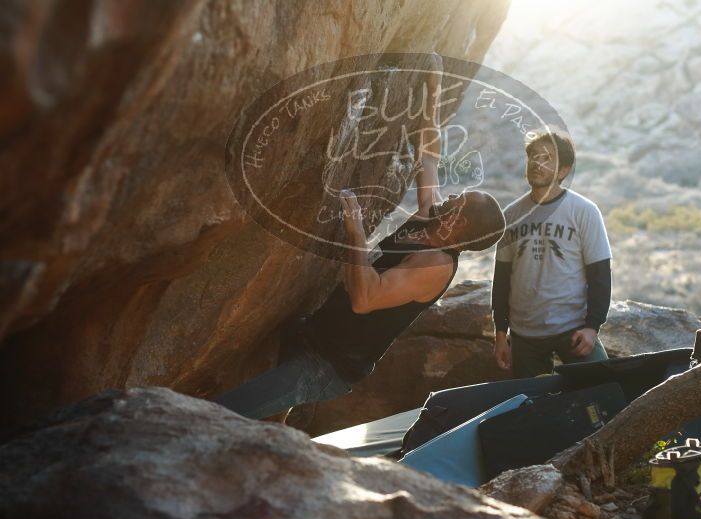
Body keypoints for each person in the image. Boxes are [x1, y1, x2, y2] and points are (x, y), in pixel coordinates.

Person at [216, 55, 506, 420]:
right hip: (314, 333)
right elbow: (429, 158)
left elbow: (365, 299)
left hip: (327, 365)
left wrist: (354, 229)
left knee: (227, 410)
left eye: (459, 202)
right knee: (266, 415)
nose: (451, 196)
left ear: (460, 225)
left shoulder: (434, 265)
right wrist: (433, 90)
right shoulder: (430, 220)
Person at [491, 130, 612, 378]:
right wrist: (501, 334)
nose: (537, 163)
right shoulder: (511, 216)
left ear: (563, 171)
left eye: (547, 158)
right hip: (525, 334)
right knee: (533, 405)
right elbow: (501, 279)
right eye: (534, 156)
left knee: (602, 388)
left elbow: (600, 274)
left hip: (574, 329)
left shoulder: (584, 211)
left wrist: (593, 327)